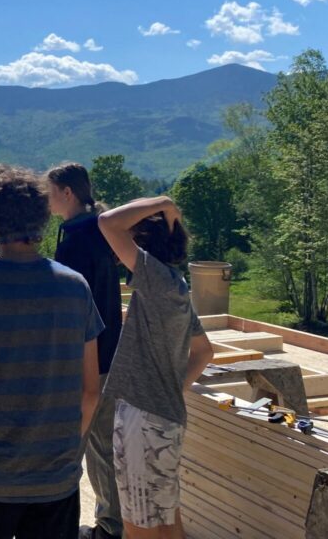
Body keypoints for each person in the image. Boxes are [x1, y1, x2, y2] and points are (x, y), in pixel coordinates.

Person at [0, 165, 105, 539]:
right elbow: (90, 393)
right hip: (56, 483)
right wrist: (59, 451)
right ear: (43, 217)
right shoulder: (75, 287)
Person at [98, 197, 214, 539]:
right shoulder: (176, 287)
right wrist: (171, 389)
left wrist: (164, 203)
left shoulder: (157, 279)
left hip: (142, 420)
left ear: (144, 243)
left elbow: (107, 222)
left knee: (138, 528)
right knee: (166, 522)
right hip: (165, 417)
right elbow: (205, 352)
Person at [47, 163, 123, 539]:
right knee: (104, 447)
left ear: (67, 193)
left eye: (50, 191)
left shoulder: (76, 238)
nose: (47, 199)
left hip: (84, 360)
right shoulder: (103, 229)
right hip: (110, 353)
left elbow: (69, 305)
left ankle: (55, 528)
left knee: (65, 452)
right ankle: (111, 528)